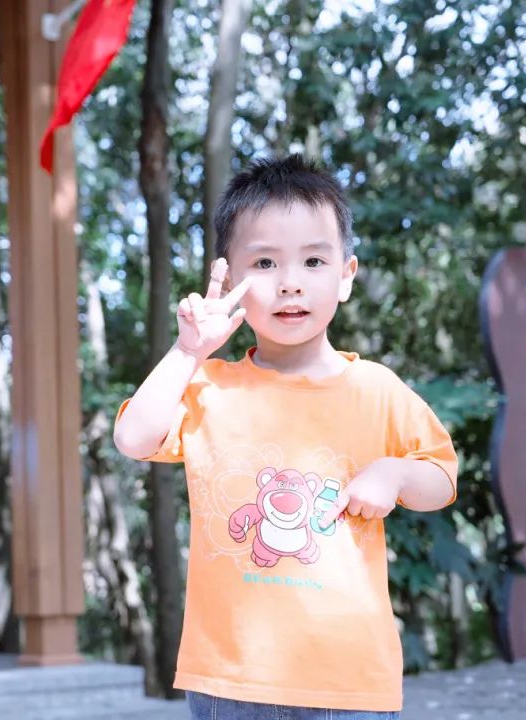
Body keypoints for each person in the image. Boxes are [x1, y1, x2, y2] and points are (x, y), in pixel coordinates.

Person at [113, 154, 458, 719]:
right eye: (265, 262)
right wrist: (187, 351)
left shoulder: (376, 390)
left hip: (348, 683)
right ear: (230, 278)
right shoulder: (208, 387)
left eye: (314, 261)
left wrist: (395, 473)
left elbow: (441, 478)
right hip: (230, 680)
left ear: (346, 276)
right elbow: (133, 438)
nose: (290, 282)